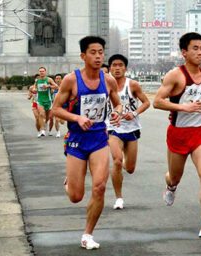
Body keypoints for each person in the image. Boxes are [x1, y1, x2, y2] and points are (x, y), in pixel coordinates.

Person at [52, 36, 122, 249]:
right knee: (76, 196)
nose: (98, 56)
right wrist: (77, 118)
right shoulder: (71, 80)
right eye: (93, 52)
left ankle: (87, 234)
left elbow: (117, 104)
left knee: (100, 187)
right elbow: (56, 109)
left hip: (99, 138)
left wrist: (117, 114)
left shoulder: (108, 80)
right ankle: (70, 183)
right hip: (76, 140)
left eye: (101, 52)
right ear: (83, 56)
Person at [153, 32, 201, 239]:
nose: (200, 52)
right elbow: (157, 101)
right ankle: (171, 185)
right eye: (195, 48)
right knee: (175, 175)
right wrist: (184, 107)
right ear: (184, 52)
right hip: (178, 134)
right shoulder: (176, 75)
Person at [107, 54, 150, 210]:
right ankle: (119, 198)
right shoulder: (104, 85)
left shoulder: (133, 85)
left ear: (125, 68)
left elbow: (146, 102)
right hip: (112, 128)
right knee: (117, 160)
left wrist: (134, 113)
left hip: (131, 127)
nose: (117, 68)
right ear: (110, 68)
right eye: (114, 65)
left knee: (130, 168)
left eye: (120, 65)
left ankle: (123, 164)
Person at [35, 67, 58, 137]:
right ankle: (42, 130)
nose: (41, 72)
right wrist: (33, 89)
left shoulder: (48, 79)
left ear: (45, 72)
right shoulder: (37, 81)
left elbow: (56, 86)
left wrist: (48, 86)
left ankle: (45, 123)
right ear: (39, 72)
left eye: (43, 71)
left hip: (48, 100)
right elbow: (34, 88)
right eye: (40, 71)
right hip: (40, 100)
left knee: (48, 117)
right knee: (41, 114)